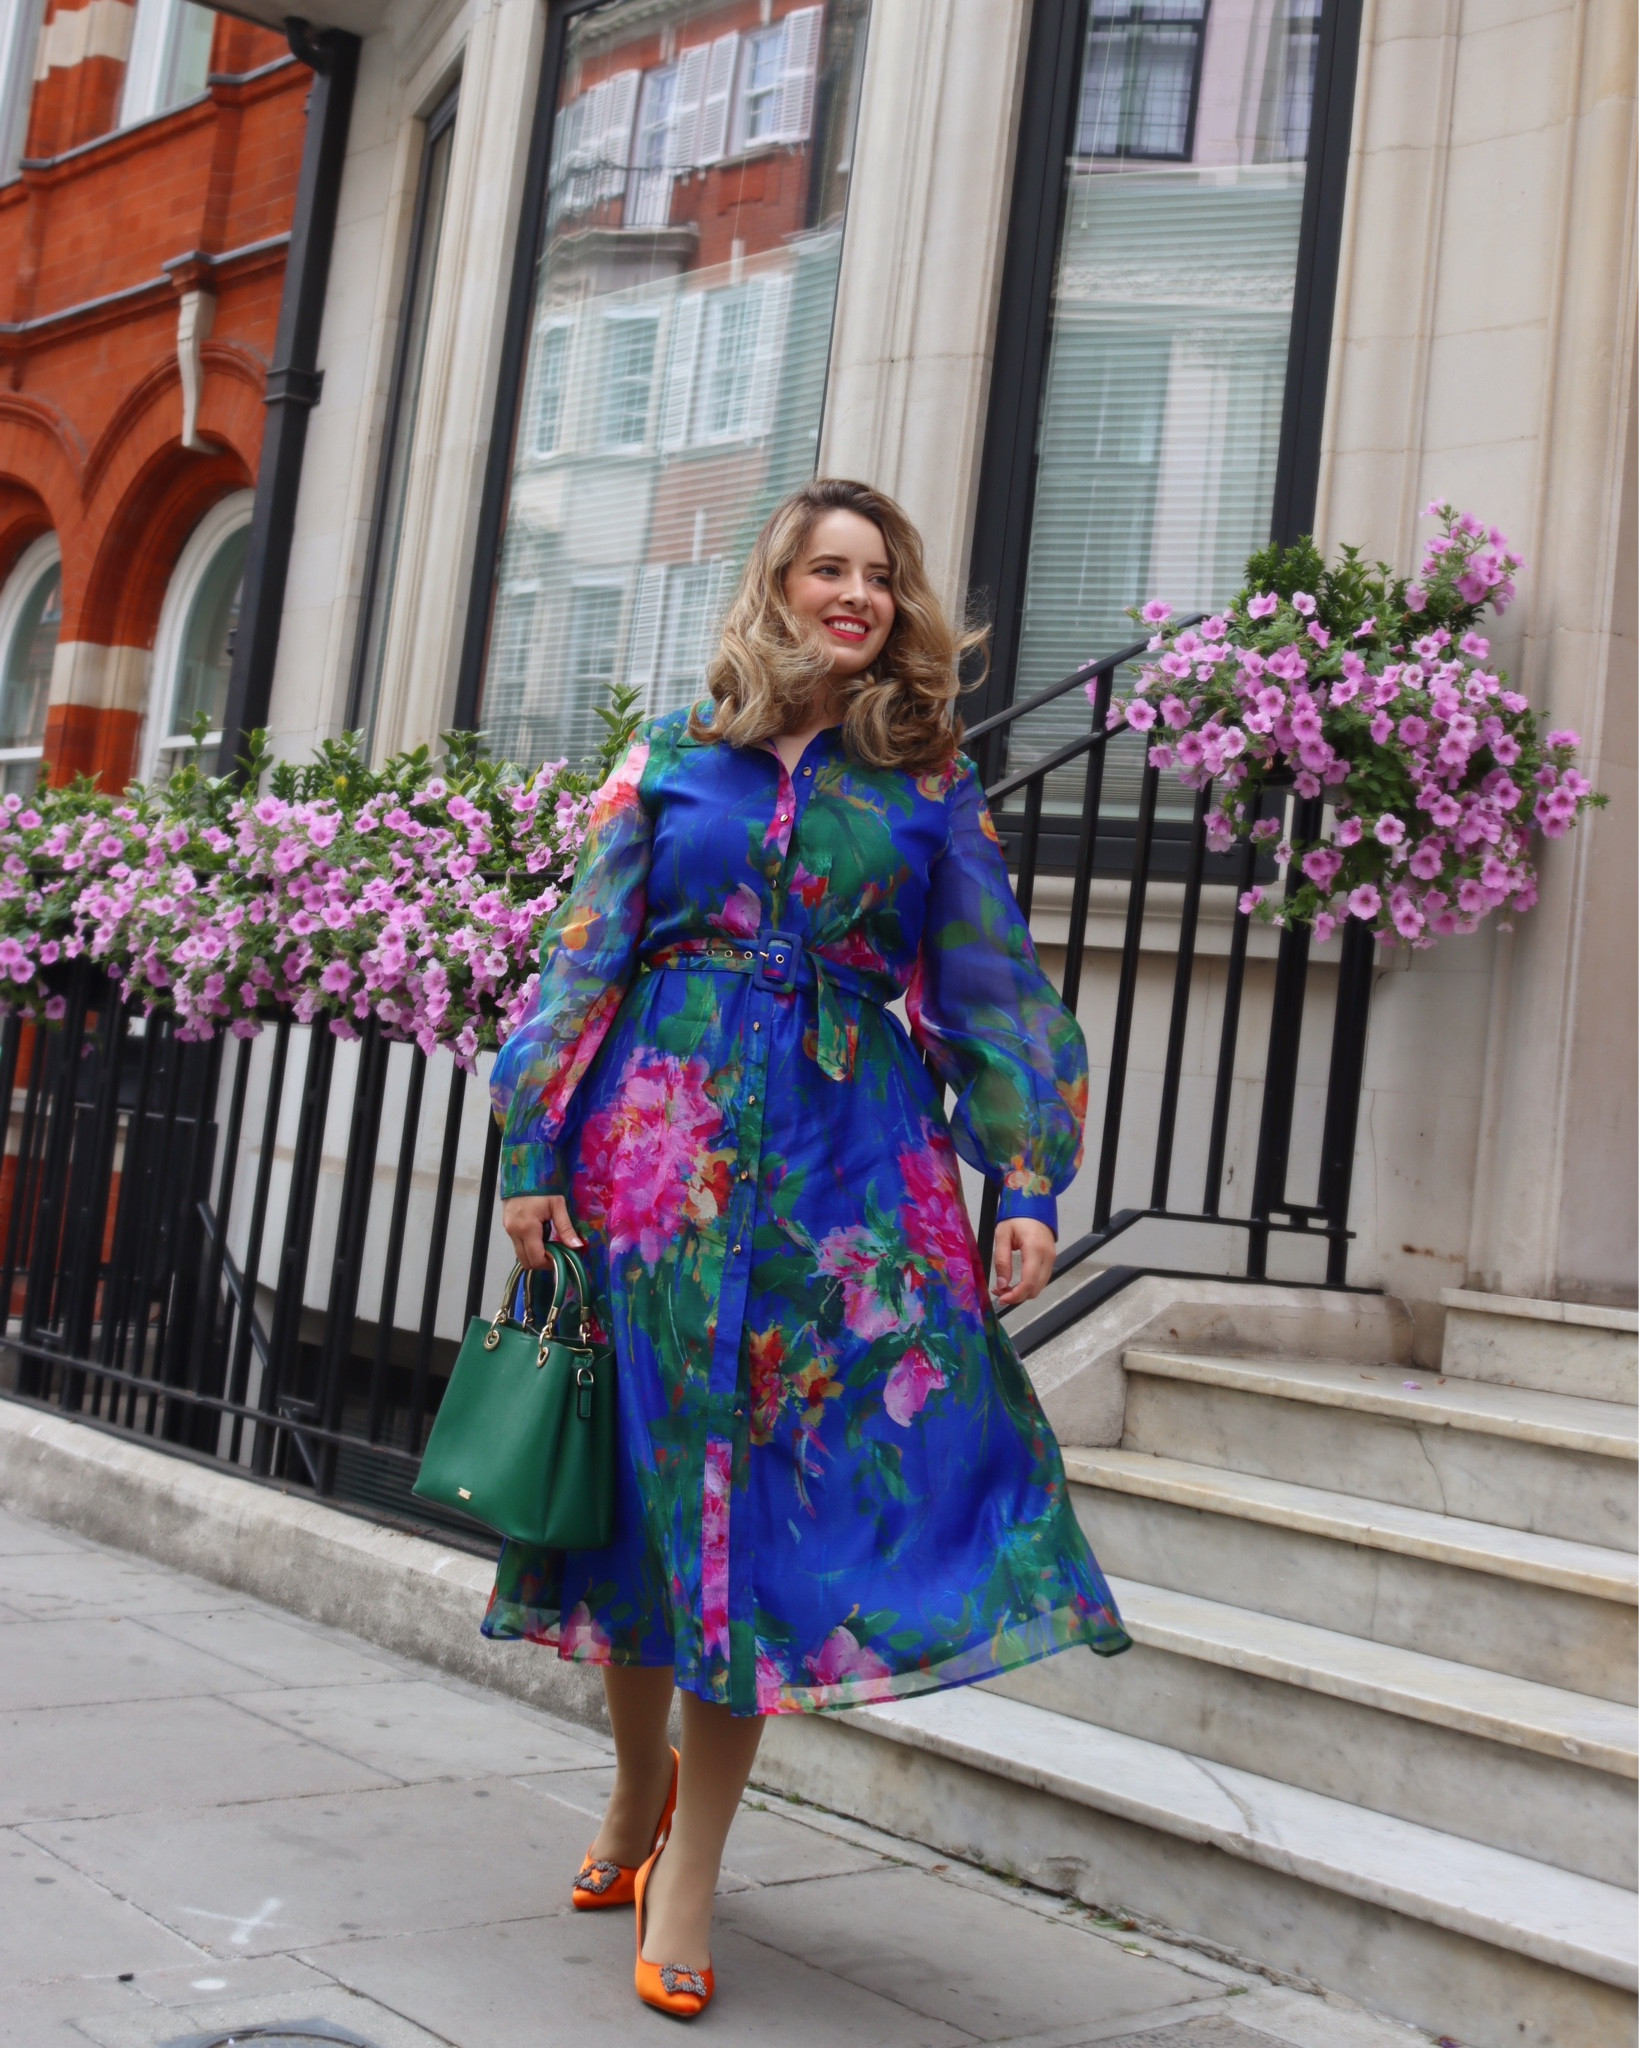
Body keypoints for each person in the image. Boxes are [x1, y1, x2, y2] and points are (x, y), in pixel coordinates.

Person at [488, 478, 1129, 2018]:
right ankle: (637, 1794)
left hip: (848, 1191)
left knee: (764, 1534)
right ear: (775, 588)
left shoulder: (926, 789)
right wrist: (530, 1145)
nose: (856, 594)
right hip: (659, 1170)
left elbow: (990, 988)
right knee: (644, 1509)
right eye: (827, 569)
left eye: (880, 576)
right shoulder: (670, 759)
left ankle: (690, 1869)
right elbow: (584, 955)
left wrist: (1026, 1179)